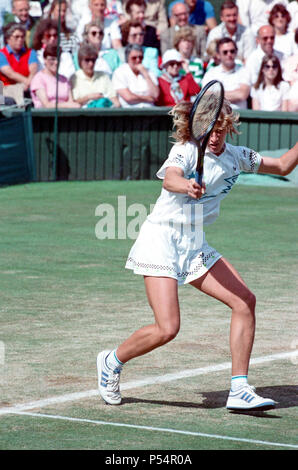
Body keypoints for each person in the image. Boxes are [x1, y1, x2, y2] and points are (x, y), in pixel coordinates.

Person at [96, 94, 298, 411]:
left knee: (245, 301)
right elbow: (171, 179)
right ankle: (111, 361)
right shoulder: (186, 150)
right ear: (199, 126)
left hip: (194, 244)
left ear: (228, 128)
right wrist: (186, 186)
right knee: (167, 328)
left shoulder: (238, 156)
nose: (215, 137)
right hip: (161, 239)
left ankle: (239, 389)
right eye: (211, 129)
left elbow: (283, 164)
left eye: (221, 130)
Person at [201, 37, 250, 109]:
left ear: (236, 52)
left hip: (239, 116)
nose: (229, 54)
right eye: (225, 52)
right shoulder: (211, 73)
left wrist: (215, 95)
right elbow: (205, 96)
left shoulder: (244, 71)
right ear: (218, 54)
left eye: (232, 51)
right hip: (217, 117)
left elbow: (242, 95)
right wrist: (234, 94)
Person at [30, 43, 80, 108]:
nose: (56, 62)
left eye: (58, 59)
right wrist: (66, 105)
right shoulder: (38, 79)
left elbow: (71, 102)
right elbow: (46, 105)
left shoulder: (64, 80)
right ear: (44, 59)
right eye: (52, 59)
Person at [70, 43, 120, 107]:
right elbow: (73, 102)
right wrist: (89, 97)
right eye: (87, 60)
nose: (91, 64)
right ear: (80, 61)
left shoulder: (103, 76)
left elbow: (115, 101)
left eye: (93, 60)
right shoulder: (74, 78)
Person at [0, 22, 38, 104]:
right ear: (8, 38)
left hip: (27, 90)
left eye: (22, 37)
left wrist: (27, 85)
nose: (20, 40)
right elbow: (10, 74)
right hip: (7, 91)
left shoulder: (31, 52)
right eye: (16, 37)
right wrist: (27, 83)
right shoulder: (1, 54)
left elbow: (33, 71)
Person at [112, 43, 159, 107]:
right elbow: (129, 97)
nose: (138, 60)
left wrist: (146, 75)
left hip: (150, 111)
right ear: (127, 58)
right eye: (134, 58)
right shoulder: (119, 72)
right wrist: (148, 98)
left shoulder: (148, 72)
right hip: (130, 112)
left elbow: (155, 95)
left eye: (140, 57)